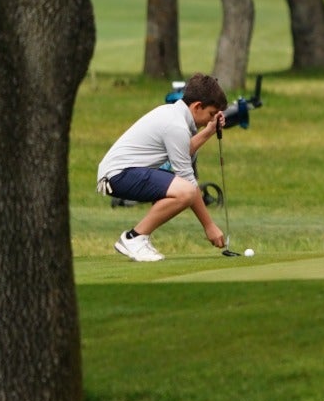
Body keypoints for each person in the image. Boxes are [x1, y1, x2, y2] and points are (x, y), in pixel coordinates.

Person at [98, 73, 230, 261]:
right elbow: (187, 180)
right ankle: (134, 238)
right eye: (210, 114)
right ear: (197, 106)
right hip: (118, 176)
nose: (210, 120)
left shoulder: (173, 115)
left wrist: (208, 131)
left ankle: (138, 238)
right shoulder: (175, 125)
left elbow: (183, 151)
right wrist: (209, 225)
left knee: (185, 190)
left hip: (124, 173)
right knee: (186, 191)